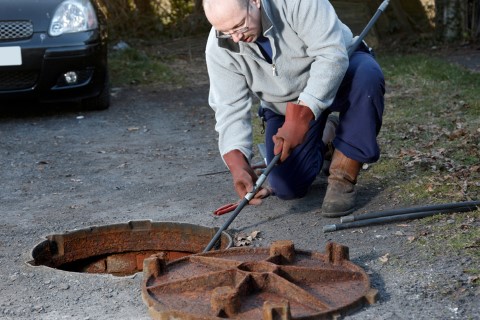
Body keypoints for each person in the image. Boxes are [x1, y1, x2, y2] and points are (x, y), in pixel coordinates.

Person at [203, 0, 385, 217]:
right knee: (287, 187)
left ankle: (342, 177)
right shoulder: (219, 47)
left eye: (240, 25)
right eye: (225, 32)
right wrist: (238, 165)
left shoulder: (298, 3)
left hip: (341, 75)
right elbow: (229, 106)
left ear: (255, 2)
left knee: (367, 75)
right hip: (284, 105)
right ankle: (328, 133)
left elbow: (331, 56)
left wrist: (302, 116)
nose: (236, 38)